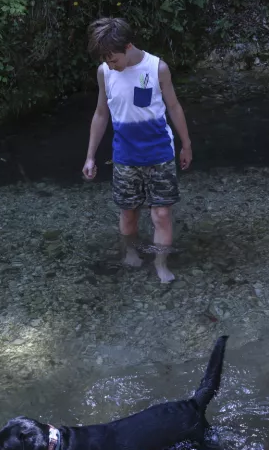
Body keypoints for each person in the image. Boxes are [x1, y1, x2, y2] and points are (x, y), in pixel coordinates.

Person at [81, 18, 193, 283]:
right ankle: (130, 252)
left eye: (114, 60)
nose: (111, 65)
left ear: (128, 46)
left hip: (159, 153)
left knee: (162, 214)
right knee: (128, 212)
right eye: (106, 61)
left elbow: (174, 107)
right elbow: (100, 114)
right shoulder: (104, 72)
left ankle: (160, 263)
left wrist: (186, 144)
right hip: (125, 157)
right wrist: (90, 155)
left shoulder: (157, 68)